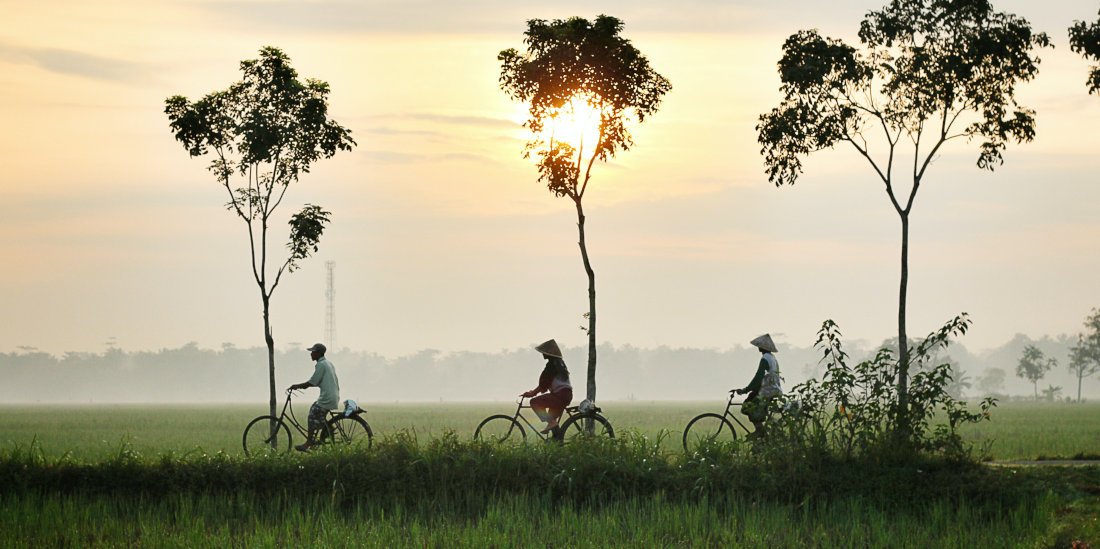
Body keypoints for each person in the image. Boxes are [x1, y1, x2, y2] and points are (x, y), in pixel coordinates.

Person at [287, 342, 340, 451]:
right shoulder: (328, 363)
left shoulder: (321, 365)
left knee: (312, 414)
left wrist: (297, 386)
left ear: (319, 353)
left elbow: (312, 382)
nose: (311, 354)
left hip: (327, 398)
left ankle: (309, 442)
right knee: (318, 414)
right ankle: (328, 429)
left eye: (313, 352)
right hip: (332, 396)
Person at [733, 333, 782, 437]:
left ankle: (759, 430)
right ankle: (763, 435)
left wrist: (745, 390)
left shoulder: (765, 358)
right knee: (754, 400)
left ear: (762, 347)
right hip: (774, 389)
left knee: (747, 406)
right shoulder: (772, 358)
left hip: (768, 391)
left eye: (759, 346)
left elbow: (758, 377)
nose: (758, 348)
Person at [522, 339, 573, 434]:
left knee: (534, 402)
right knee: (552, 420)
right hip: (565, 395)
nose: (543, 354)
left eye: (544, 352)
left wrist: (532, 393)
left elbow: (544, 383)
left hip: (560, 395)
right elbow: (545, 383)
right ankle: (557, 441)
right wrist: (534, 392)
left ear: (549, 353)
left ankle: (551, 422)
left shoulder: (552, 365)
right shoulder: (559, 363)